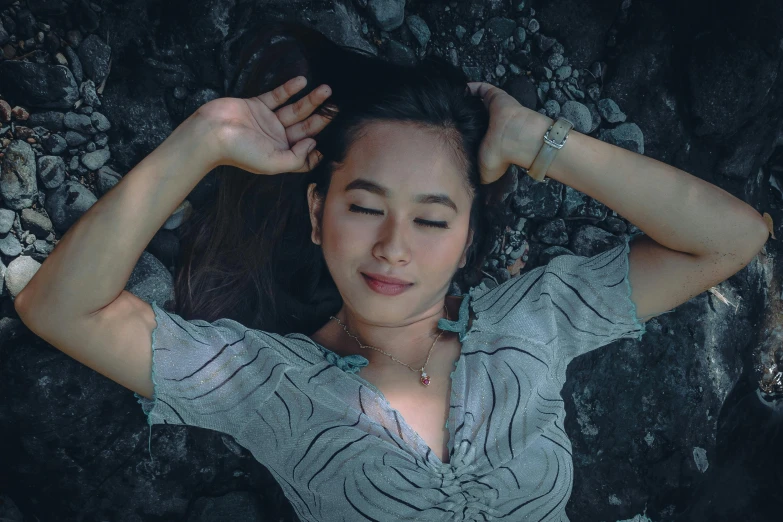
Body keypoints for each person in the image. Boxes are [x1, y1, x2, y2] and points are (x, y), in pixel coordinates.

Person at [14, 22, 769, 522]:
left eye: (433, 219)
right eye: (365, 207)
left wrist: (537, 138)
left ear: (470, 238)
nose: (393, 248)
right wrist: (203, 139)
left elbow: (732, 239)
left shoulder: (535, 321)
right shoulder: (262, 383)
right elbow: (59, 309)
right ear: (317, 215)